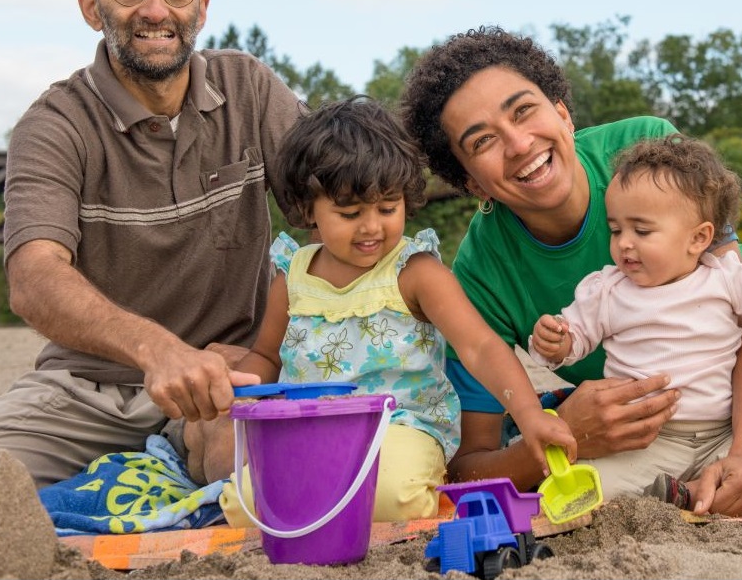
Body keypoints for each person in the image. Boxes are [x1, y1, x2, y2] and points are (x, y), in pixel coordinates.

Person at [399, 24, 742, 517]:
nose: (517, 143)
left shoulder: (646, 148)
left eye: (524, 110)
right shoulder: (481, 276)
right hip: (697, 398)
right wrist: (566, 432)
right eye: (483, 140)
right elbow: (470, 466)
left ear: (562, 113)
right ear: (473, 184)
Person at [0, 0, 309, 489]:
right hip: (87, 391)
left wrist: (271, 350)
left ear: (200, 9)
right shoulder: (53, 123)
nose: (155, 9)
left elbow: (342, 208)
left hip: (228, 378)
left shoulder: (250, 88)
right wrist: (158, 350)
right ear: (91, 5)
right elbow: (33, 277)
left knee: (272, 474)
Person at [201, 96, 577, 522]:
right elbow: (267, 356)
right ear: (308, 209)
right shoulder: (294, 276)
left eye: (387, 207)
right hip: (308, 430)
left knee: (396, 498)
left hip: (401, 427)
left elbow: (481, 348)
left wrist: (529, 415)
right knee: (245, 505)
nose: (372, 227)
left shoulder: (414, 272)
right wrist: (239, 385)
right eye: (348, 213)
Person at [527, 134, 742, 505]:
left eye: (642, 231)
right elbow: (573, 338)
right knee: (596, 485)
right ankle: (693, 496)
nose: (625, 243)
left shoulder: (726, 278)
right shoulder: (608, 289)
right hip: (647, 440)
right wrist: (555, 340)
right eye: (616, 230)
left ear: (698, 238)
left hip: (721, 436)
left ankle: (687, 494)